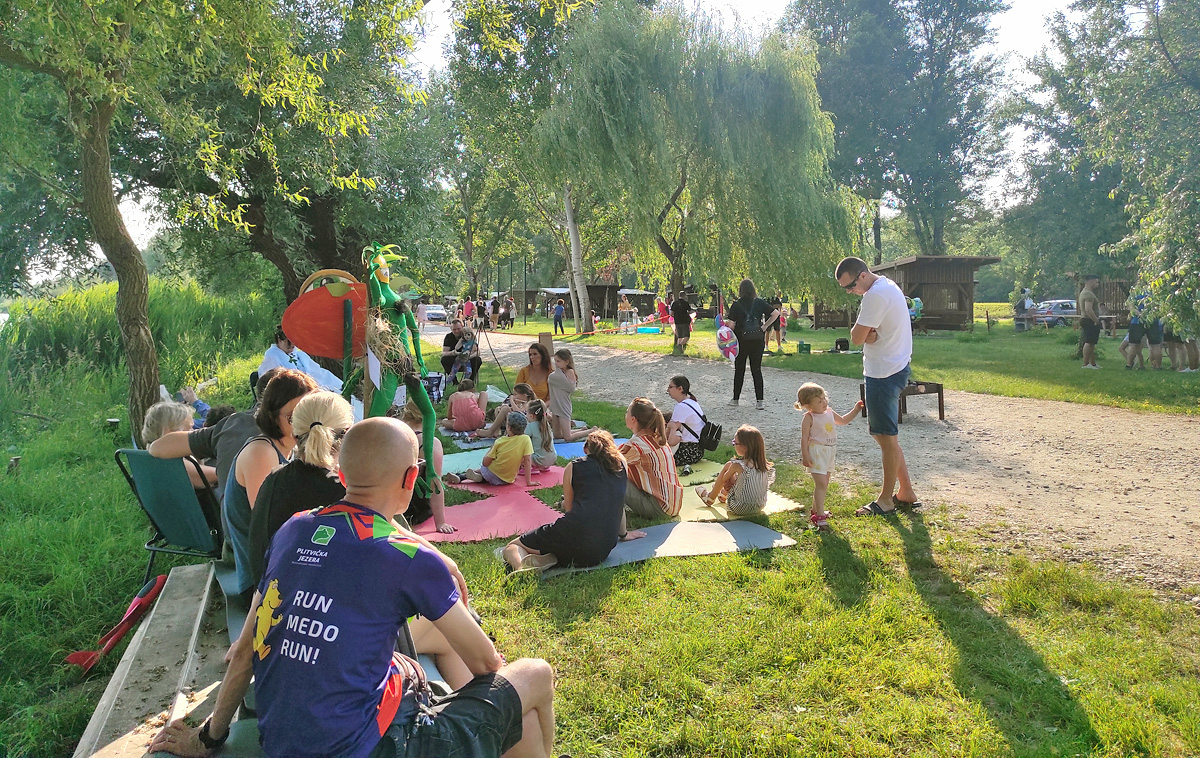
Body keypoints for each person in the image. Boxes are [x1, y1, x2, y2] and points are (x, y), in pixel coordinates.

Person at [149, 417, 556, 758]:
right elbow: (486, 665)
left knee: (430, 677)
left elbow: (245, 650)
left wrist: (207, 739)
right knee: (535, 675)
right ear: (411, 477)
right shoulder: (410, 556)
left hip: (282, 743)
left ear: (341, 474)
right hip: (373, 747)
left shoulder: (293, 530)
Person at [835, 256, 920, 516]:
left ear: (862, 275)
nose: (850, 292)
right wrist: (867, 335)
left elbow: (855, 337)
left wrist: (865, 335)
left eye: (850, 286)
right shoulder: (887, 285)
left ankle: (885, 500)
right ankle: (906, 491)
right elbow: (864, 335)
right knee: (883, 436)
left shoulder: (875, 295)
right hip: (894, 367)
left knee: (886, 437)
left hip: (884, 373)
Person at [224, 369, 318, 600]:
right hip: (262, 583)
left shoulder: (291, 450)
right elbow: (270, 526)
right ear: (273, 416)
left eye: (308, 414)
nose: (302, 424)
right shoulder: (262, 453)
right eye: (293, 417)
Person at [503, 430, 645, 574]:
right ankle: (551, 557)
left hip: (576, 535)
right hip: (603, 550)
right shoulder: (621, 465)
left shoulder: (574, 466)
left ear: (585, 449)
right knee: (572, 543)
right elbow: (618, 504)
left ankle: (521, 570)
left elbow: (569, 510)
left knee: (512, 546)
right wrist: (624, 534)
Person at [248, 391, 353, 586]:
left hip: (265, 597)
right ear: (347, 435)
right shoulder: (346, 494)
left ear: (294, 435)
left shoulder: (273, 479)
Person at [148, 369, 282, 504]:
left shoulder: (152, 457)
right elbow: (216, 476)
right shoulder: (177, 462)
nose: (192, 431)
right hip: (212, 508)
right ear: (169, 432)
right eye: (188, 428)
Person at [795, 382, 863, 530]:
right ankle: (820, 516)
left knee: (824, 483)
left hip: (830, 451)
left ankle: (815, 510)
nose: (824, 402)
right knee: (821, 484)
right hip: (817, 452)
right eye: (819, 401)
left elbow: (843, 421)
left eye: (824, 398)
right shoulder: (809, 417)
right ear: (808, 405)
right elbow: (804, 438)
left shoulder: (830, 412)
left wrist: (856, 409)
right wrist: (805, 455)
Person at [398, 402, 457, 534]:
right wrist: (441, 522)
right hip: (414, 509)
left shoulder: (393, 436)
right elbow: (435, 482)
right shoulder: (429, 443)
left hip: (387, 507)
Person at [619, 398, 683, 518]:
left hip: (659, 508)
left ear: (633, 419)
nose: (625, 414)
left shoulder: (637, 445)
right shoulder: (657, 438)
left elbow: (608, 459)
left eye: (627, 412)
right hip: (672, 505)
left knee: (612, 473)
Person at [695, 425, 776, 517]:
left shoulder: (737, 465)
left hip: (739, 507)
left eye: (735, 443)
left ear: (745, 447)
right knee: (741, 478)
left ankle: (710, 497)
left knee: (728, 467)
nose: (733, 445)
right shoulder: (763, 465)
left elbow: (724, 479)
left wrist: (723, 482)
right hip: (760, 506)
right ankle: (722, 495)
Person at [725, 278, 780, 410]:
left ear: (741, 290)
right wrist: (765, 326)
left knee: (739, 370)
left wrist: (725, 326)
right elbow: (776, 313)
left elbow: (731, 326)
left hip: (741, 341)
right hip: (757, 339)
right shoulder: (759, 302)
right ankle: (759, 401)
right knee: (756, 370)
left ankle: (735, 399)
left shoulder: (736, 305)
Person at [445, 411, 534, 487]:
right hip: (508, 479)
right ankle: (471, 476)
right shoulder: (526, 439)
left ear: (509, 428)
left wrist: (490, 450)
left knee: (486, 469)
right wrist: (528, 482)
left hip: (491, 474)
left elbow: (485, 462)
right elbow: (527, 460)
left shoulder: (500, 441)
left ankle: (463, 476)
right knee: (491, 472)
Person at [142, 401, 219, 489]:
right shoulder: (174, 461)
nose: (194, 431)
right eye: (189, 428)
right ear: (170, 434)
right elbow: (208, 477)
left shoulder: (147, 455)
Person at [257, 326, 344, 393]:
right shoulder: (272, 357)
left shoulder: (300, 355)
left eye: (294, 341)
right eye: (289, 342)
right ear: (280, 340)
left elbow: (318, 372)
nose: (292, 345)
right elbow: (272, 382)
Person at [547, 348, 592, 442]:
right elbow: (551, 379)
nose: (556, 364)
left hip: (563, 406)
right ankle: (581, 430)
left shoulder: (569, 372)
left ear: (566, 362)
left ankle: (591, 431)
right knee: (558, 435)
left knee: (567, 438)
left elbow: (571, 388)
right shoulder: (556, 374)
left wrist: (559, 375)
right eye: (555, 361)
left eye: (558, 361)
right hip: (555, 406)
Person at [664, 375, 705, 470]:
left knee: (656, 460)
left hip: (687, 451)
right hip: (697, 450)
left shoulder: (681, 407)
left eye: (670, 387)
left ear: (680, 389)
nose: (667, 390)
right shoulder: (692, 402)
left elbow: (669, 437)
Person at [524, 399, 558, 471]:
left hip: (538, 460)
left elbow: (522, 439)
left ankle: (531, 467)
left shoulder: (530, 426)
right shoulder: (546, 424)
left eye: (526, 412)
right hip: (552, 459)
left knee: (522, 448)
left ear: (531, 416)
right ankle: (543, 466)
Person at [1078, 274, 1101, 369]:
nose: (1097, 284)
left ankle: (1093, 363)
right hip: (1089, 320)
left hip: (1087, 319)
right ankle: (1086, 364)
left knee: (1092, 343)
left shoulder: (1085, 292)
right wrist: (1096, 320)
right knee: (1089, 342)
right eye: (1096, 282)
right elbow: (1088, 309)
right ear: (1090, 282)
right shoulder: (1088, 294)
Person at [670, 291, 693, 356]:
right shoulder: (685, 303)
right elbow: (690, 311)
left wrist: (676, 316)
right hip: (685, 321)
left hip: (677, 322)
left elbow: (671, 313)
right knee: (687, 336)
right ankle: (680, 345)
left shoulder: (675, 303)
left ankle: (678, 351)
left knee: (679, 336)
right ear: (684, 296)